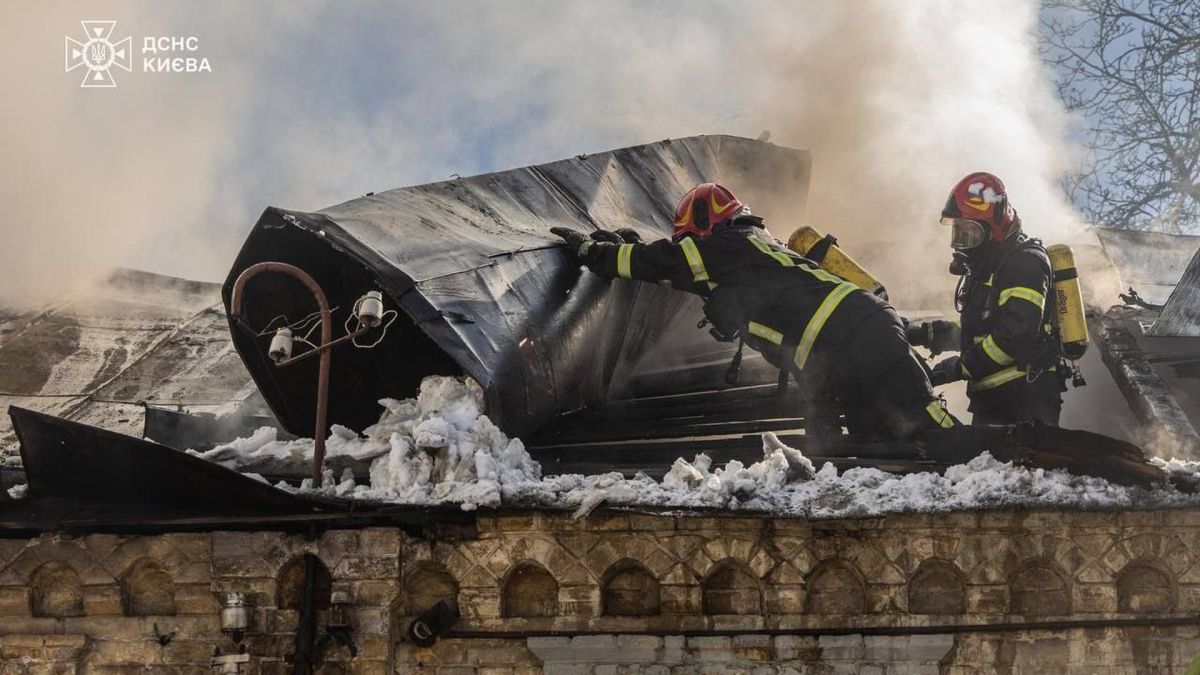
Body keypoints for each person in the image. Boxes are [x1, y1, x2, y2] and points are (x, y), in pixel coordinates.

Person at [550, 182, 956, 441]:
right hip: (835, 358)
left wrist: (595, 253)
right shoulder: (749, 254)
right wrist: (632, 245)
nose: (688, 248)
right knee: (871, 441)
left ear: (703, 227)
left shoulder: (729, 246)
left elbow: (666, 263)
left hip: (858, 337)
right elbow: (677, 273)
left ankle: (1005, 459)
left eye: (688, 239)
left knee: (932, 429)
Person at [928, 172, 1064, 425]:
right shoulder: (990, 268)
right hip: (993, 400)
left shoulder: (1024, 264)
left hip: (1025, 399)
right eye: (957, 233)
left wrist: (960, 367)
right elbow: (985, 329)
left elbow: (1016, 334)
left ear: (994, 229)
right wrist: (938, 335)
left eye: (969, 234)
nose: (960, 244)